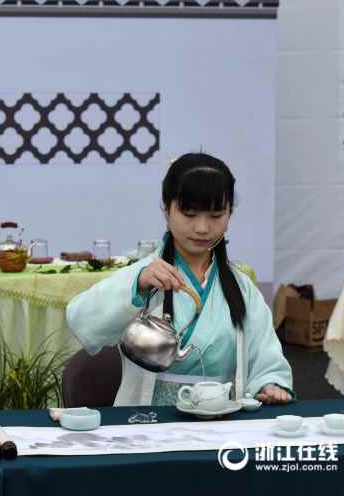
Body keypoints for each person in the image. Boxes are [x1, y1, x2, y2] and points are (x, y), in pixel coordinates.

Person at [66, 152, 293, 407]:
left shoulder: (241, 287)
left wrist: (270, 383)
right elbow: (80, 321)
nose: (202, 228)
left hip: (218, 419)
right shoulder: (145, 276)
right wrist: (137, 285)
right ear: (166, 207)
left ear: (230, 213)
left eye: (216, 215)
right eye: (190, 214)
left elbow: (265, 354)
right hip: (147, 422)